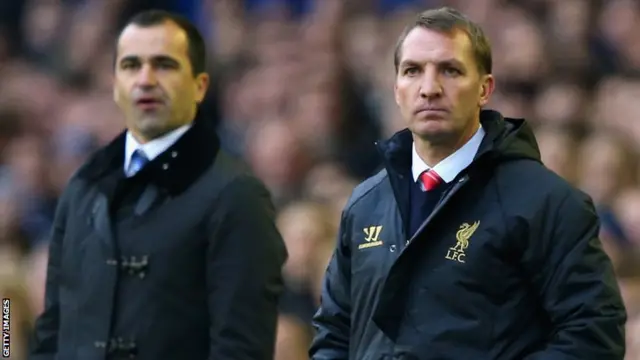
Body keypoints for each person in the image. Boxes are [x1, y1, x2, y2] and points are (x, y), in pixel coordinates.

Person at [310, 6, 626, 360]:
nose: (429, 88)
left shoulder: (548, 202)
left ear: (484, 89)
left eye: (450, 70)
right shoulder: (365, 203)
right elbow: (335, 334)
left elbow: (592, 336)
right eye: (413, 71)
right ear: (396, 89)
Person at [28, 9, 287, 360]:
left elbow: (241, 348)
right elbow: (49, 330)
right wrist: (8, 341)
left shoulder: (237, 194)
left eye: (164, 65)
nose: (145, 79)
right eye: (131, 65)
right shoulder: (82, 186)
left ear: (200, 86)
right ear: (115, 84)